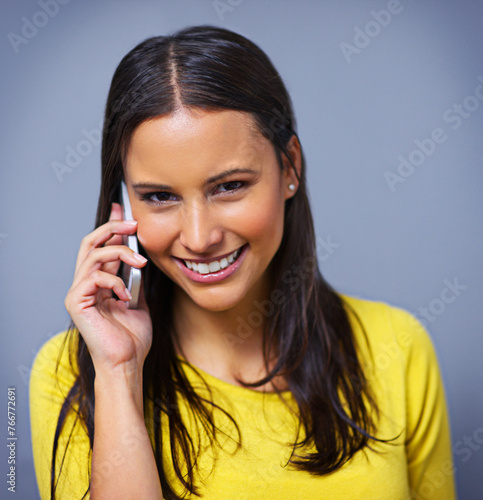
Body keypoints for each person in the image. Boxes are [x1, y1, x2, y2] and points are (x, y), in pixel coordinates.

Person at [29, 25, 456, 499]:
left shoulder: (397, 348)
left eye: (229, 186)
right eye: (159, 196)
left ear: (289, 167)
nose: (199, 237)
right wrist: (118, 375)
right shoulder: (72, 373)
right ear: (125, 204)